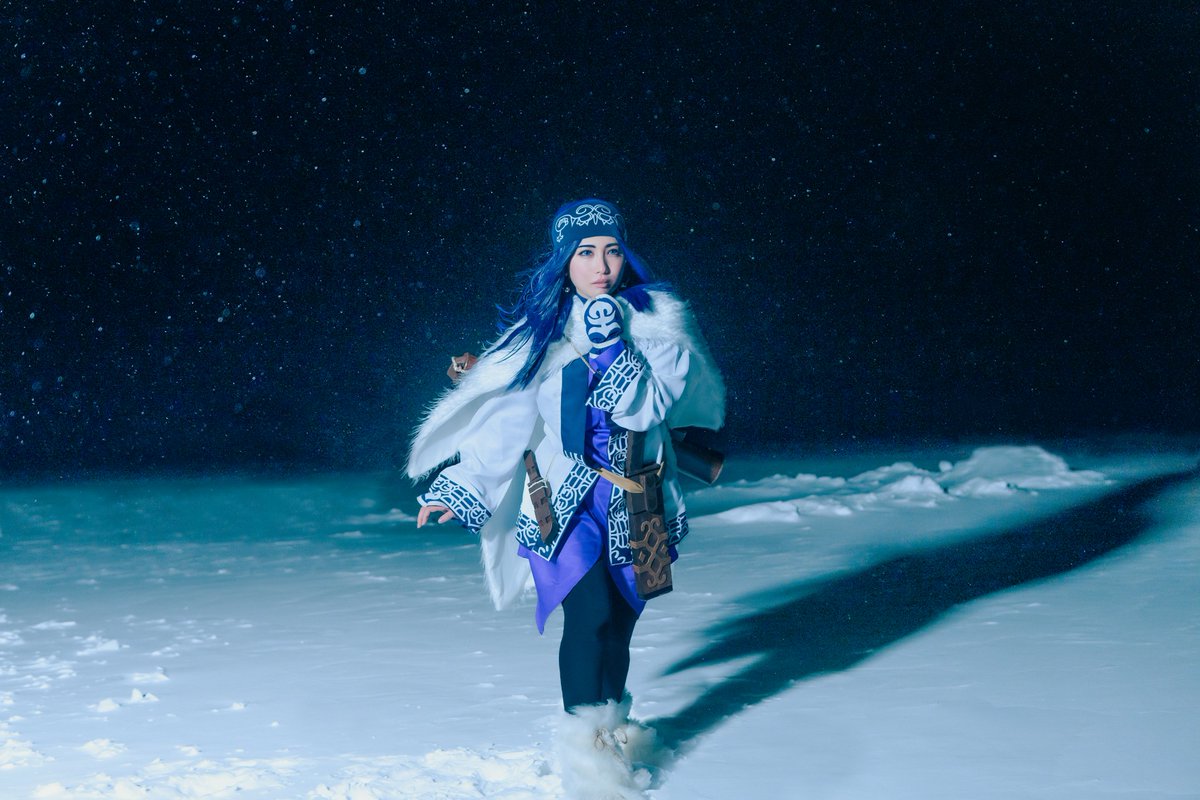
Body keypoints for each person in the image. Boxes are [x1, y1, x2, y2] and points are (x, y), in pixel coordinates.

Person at [407, 199, 724, 798]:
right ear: (564, 262)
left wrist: (614, 350)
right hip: (562, 500)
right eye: (584, 253)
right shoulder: (540, 337)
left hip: (641, 499)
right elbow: (506, 423)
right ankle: (588, 760)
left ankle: (614, 731)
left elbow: (648, 409)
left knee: (621, 624)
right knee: (590, 614)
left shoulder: (660, 327)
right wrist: (464, 487)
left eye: (611, 250)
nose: (600, 265)